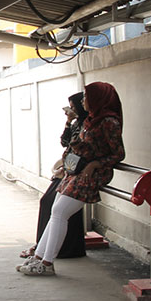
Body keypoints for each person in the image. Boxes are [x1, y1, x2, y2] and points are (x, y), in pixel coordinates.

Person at [18, 82, 125, 276]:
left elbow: (118, 153)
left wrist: (96, 164)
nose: (83, 100)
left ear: (97, 99)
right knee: (56, 212)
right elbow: (70, 142)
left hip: (89, 175)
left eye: (86, 96)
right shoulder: (91, 119)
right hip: (75, 172)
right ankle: (40, 257)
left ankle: (47, 262)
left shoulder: (109, 122)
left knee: (59, 212)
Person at [19, 92, 87, 261]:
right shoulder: (78, 123)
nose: (71, 110)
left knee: (56, 208)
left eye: (73, 107)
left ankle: (49, 253)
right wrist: (68, 122)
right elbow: (65, 142)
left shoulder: (89, 125)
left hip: (76, 170)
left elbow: (81, 148)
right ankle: (44, 249)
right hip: (70, 168)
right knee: (53, 206)